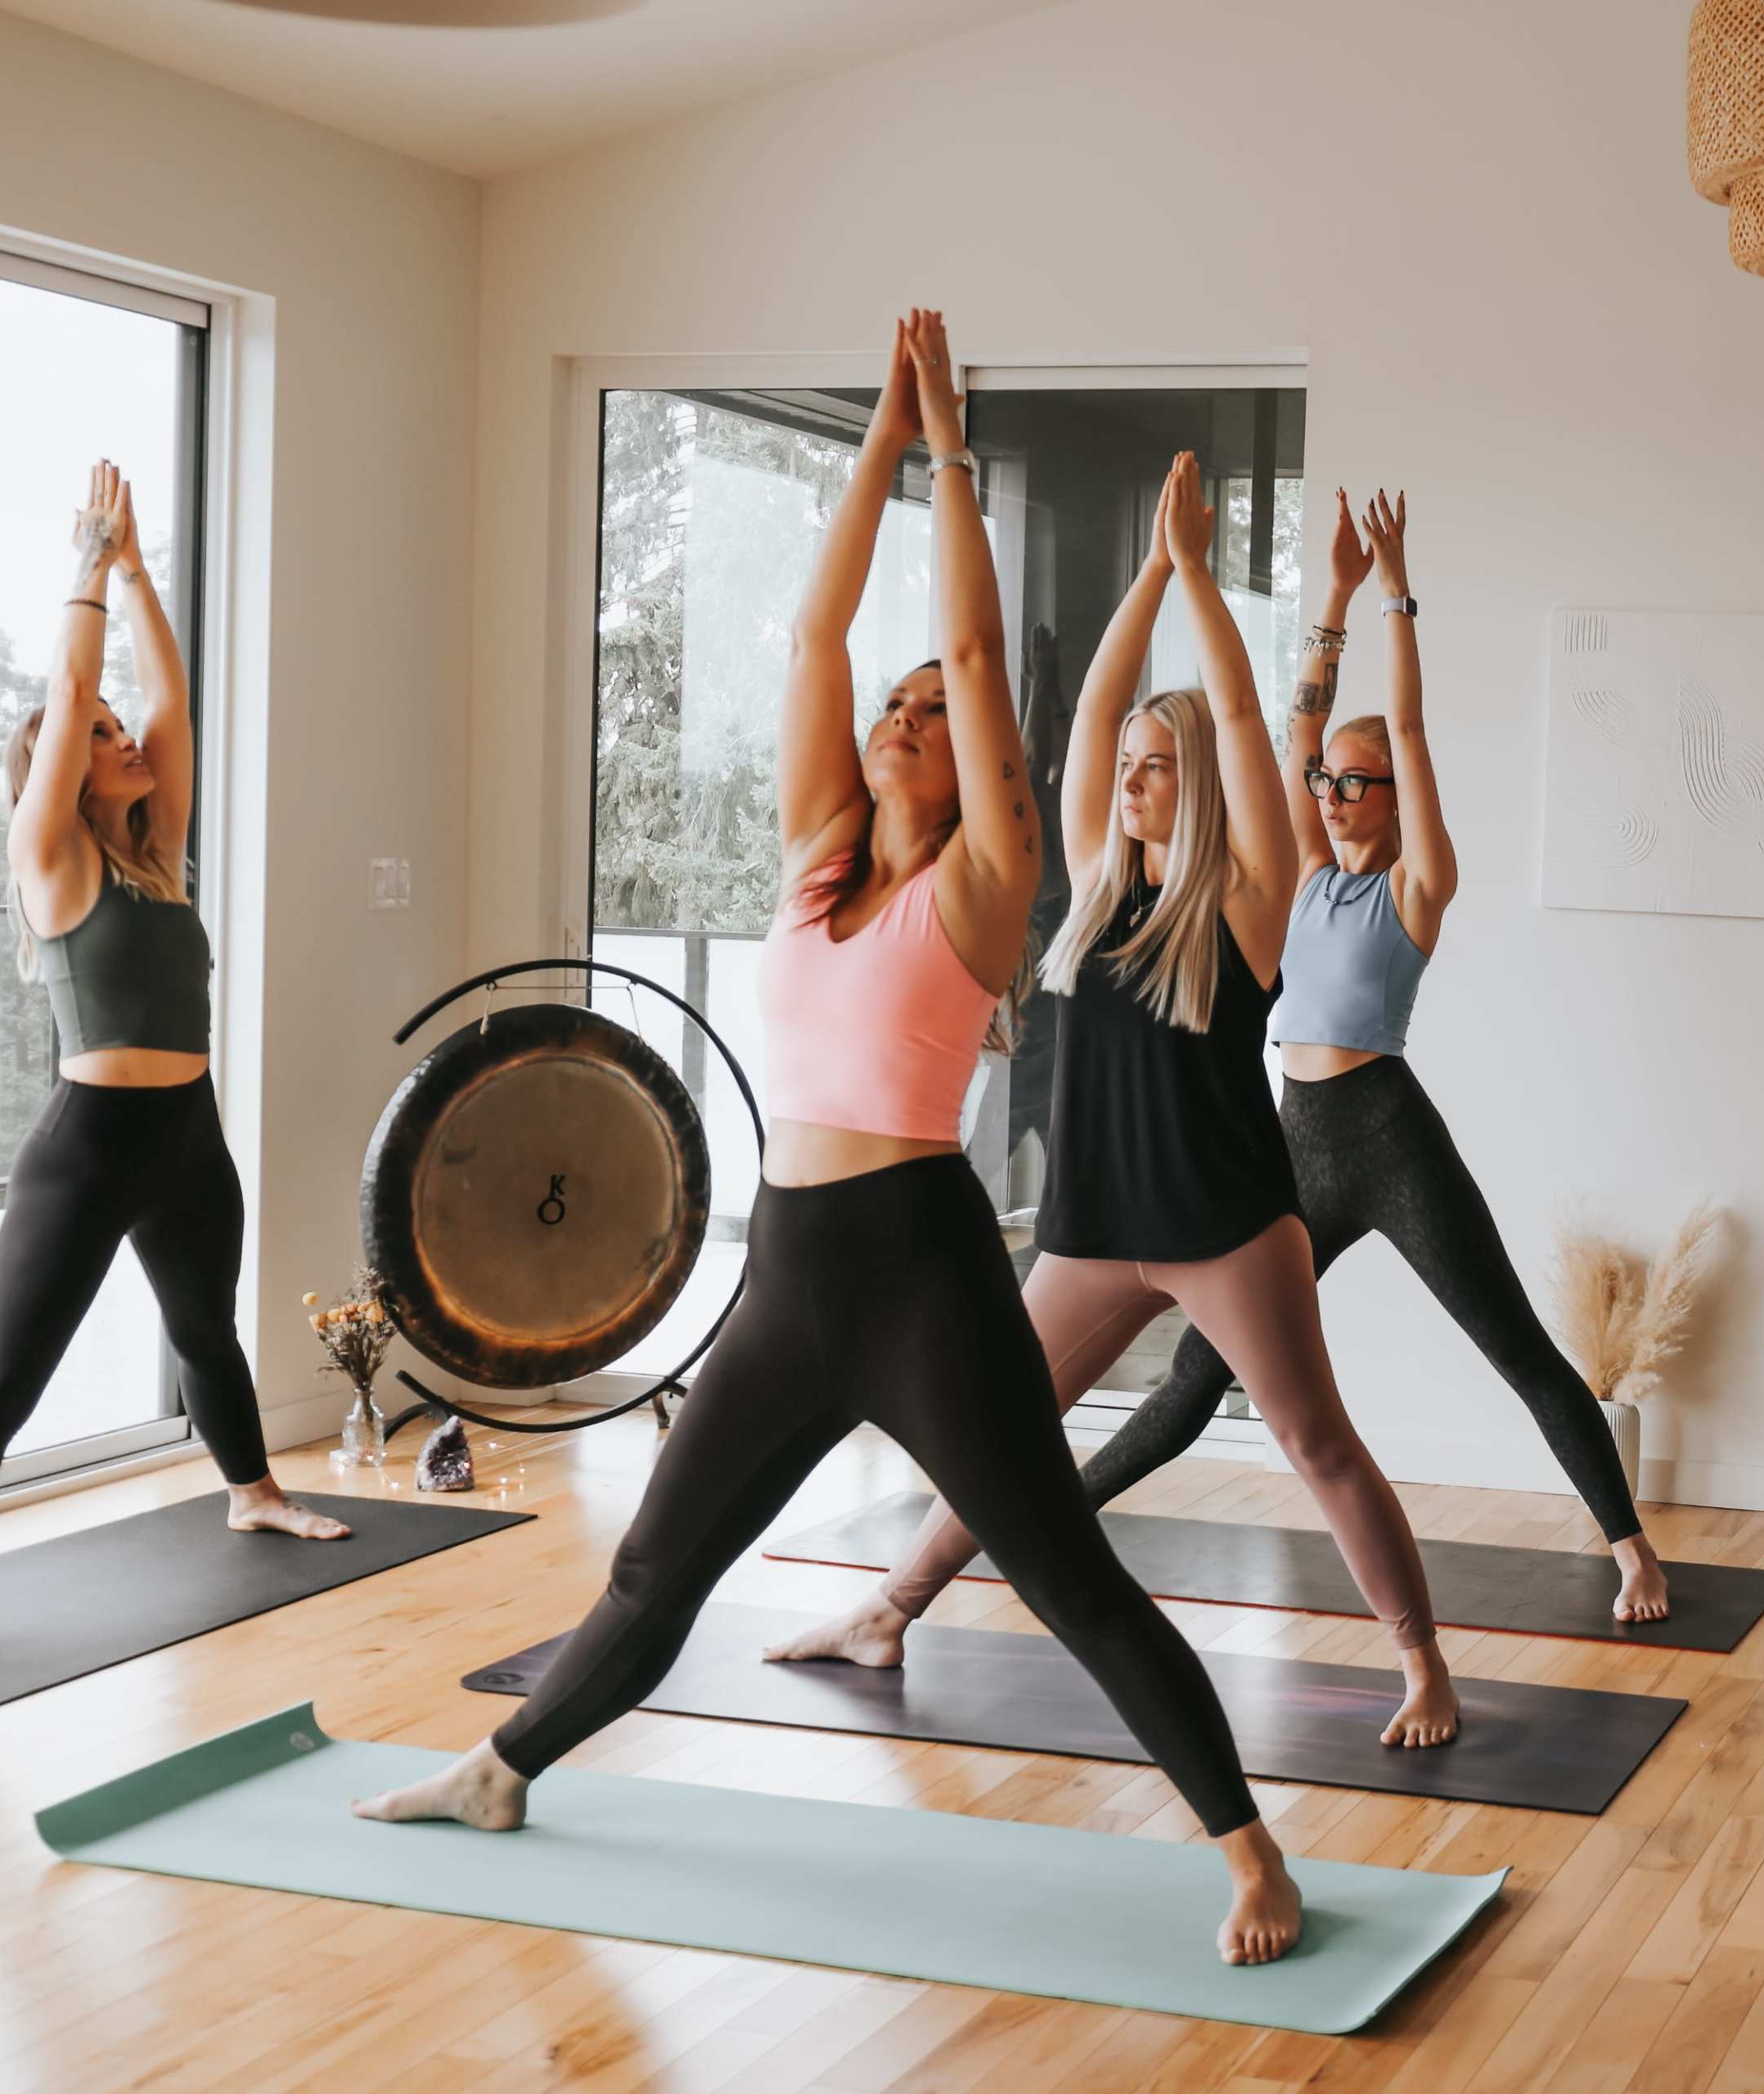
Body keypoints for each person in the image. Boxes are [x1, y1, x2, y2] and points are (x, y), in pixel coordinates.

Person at [352, 313, 1302, 1965]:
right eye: (900, 704)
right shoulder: (813, 860)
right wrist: (875, 438)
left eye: (930, 711)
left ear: (979, 761)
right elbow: (811, 631)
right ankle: (501, 1766)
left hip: (925, 1270)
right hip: (791, 1268)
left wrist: (949, 457)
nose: (902, 715)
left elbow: (990, 672)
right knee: (658, 1563)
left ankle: (1249, 1849)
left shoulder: (989, 881)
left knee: (1070, 1578)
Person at [768, 454, 1462, 1747]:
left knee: (1317, 1446)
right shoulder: (1091, 894)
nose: (1132, 778)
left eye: (1156, 766)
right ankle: (888, 1612)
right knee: (1000, 1434)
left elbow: (1249, 730)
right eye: (1132, 763)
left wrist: (1202, 580)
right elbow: (1085, 723)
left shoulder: (1251, 906)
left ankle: (1421, 1665)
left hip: (1229, 1229)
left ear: (1190, 784)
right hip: (1091, 1230)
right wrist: (1145, 573)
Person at [1064, 489, 1672, 1623]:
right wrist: (1332, 595)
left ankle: (1632, 1546)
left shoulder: (1413, 884)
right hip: (1289, 1138)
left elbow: (1410, 731)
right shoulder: (1291, 870)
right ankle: (1058, 1510)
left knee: (1516, 1347)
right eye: (1328, 783)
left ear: (1393, 799)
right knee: (1202, 1371)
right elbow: (1290, 730)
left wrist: (1397, 596)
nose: (1337, 794)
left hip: (1387, 1135)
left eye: (1359, 782)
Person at [0, 464, 344, 1689]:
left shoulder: (157, 857)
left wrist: (138, 571)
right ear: (60, 774)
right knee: (2, 1383)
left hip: (188, 1133)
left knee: (205, 1330)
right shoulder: (53, 859)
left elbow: (170, 696)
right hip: (88, 1144)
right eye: (102, 741)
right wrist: (86, 568)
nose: (124, 741)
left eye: (119, 737)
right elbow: (73, 690)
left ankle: (252, 1491)